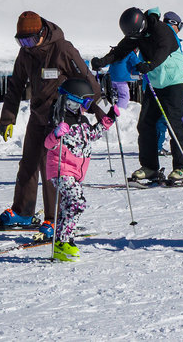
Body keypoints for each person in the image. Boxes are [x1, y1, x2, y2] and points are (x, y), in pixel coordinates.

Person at [0, 11, 107, 233]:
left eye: (31, 40)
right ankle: (23, 212)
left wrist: (101, 110)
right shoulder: (25, 53)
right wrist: (8, 118)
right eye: (22, 41)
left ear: (43, 33)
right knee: (28, 164)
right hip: (37, 116)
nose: (27, 45)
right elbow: (15, 85)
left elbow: (87, 79)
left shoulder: (62, 49)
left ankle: (54, 218)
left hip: (61, 119)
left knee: (51, 170)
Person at [92, 7, 183, 184]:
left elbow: (163, 49)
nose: (134, 38)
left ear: (143, 24)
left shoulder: (161, 29)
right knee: (145, 123)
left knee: (173, 122)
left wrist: (149, 64)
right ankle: (150, 167)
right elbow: (120, 51)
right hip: (155, 82)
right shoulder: (135, 33)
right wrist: (103, 61)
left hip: (174, 80)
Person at [43, 77, 117, 262]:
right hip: (61, 169)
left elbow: (91, 135)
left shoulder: (82, 119)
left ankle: (61, 243)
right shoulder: (58, 119)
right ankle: (63, 240)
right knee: (77, 203)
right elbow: (48, 144)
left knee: (69, 206)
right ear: (69, 101)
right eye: (82, 103)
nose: (84, 108)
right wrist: (56, 133)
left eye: (86, 104)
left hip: (76, 172)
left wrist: (109, 120)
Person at [154, 10, 183, 153]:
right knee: (165, 118)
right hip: (167, 84)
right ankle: (158, 146)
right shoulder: (169, 36)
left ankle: (157, 146)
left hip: (160, 81)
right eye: (180, 26)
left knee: (160, 118)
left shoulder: (157, 34)